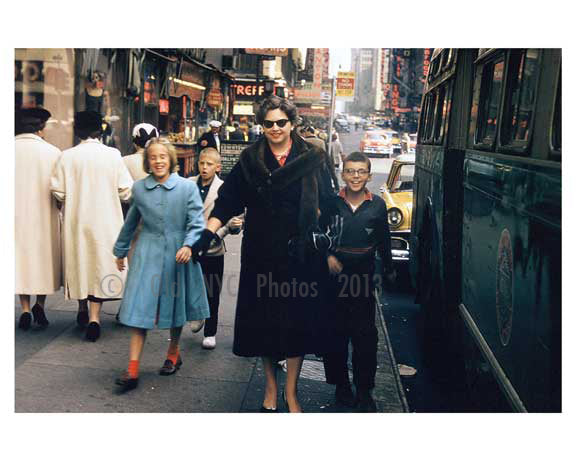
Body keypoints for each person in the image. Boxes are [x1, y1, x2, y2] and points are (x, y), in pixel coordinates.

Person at [191, 95, 336, 412]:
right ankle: (271, 388)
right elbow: (227, 201)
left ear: (292, 123)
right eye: (268, 123)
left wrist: (328, 240)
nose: (275, 128)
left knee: (296, 324)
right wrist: (207, 232)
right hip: (262, 255)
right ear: (262, 125)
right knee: (266, 324)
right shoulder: (250, 160)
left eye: (281, 122)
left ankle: (292, 392)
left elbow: (330, 202)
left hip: (300, 256)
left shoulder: (313, 156)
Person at [113, 138, 210, 392]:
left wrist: (189, 245)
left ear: (171, 160)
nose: (158, 161)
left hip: (178, 254)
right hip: (146, 253)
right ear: (147, 161)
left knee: (175, 305)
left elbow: (197, 222)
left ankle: (173, 352)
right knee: (138, 307)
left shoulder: (187, 188)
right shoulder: (140, 188)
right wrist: (120, 250)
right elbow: (131, 221)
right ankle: (132, 368)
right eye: (153, 157)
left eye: (163, 157)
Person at [320, 151, 396, 412]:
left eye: (361, 172)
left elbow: (384, 240)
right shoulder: (331, 203)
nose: (355, 176)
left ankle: (365, 390)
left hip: (363, 278)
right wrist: (328, 255)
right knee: (335, 334)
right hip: (335, 278)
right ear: (343, 174)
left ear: (369, 176)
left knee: (365, 337)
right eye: (350, 171)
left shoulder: (377, 204)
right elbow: (318, 233)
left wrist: (388, 268)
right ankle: (341, 385)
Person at [50, 111, 133, 342]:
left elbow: (58, 191)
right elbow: (126, 191)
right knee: (98, 264)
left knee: (81, 262)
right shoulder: (113, 155)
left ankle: (82, 309)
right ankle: (95, 317)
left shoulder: (67, 157)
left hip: (77, 220)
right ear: (100, 131)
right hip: (106, 220)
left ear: (78, 132)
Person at [189, 148, 244, 349]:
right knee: (190, 287)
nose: (204, 167)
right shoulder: (187, 184)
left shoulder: (224, 188)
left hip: (213, 248)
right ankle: (197, 315)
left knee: (212, 290)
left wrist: (218, 234)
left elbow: (235, 219)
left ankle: (210, 331)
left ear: (218, 167)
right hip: (190, 247)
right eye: (202, 163)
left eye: (209, 164)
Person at [15, 108, 62, 330]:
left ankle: (24, 308)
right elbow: (59, 190)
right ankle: (40, 305)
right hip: (44, 215)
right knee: (43, 260)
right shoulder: (53, 152)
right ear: (41, 129)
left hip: (15, 216)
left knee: (21, 261)